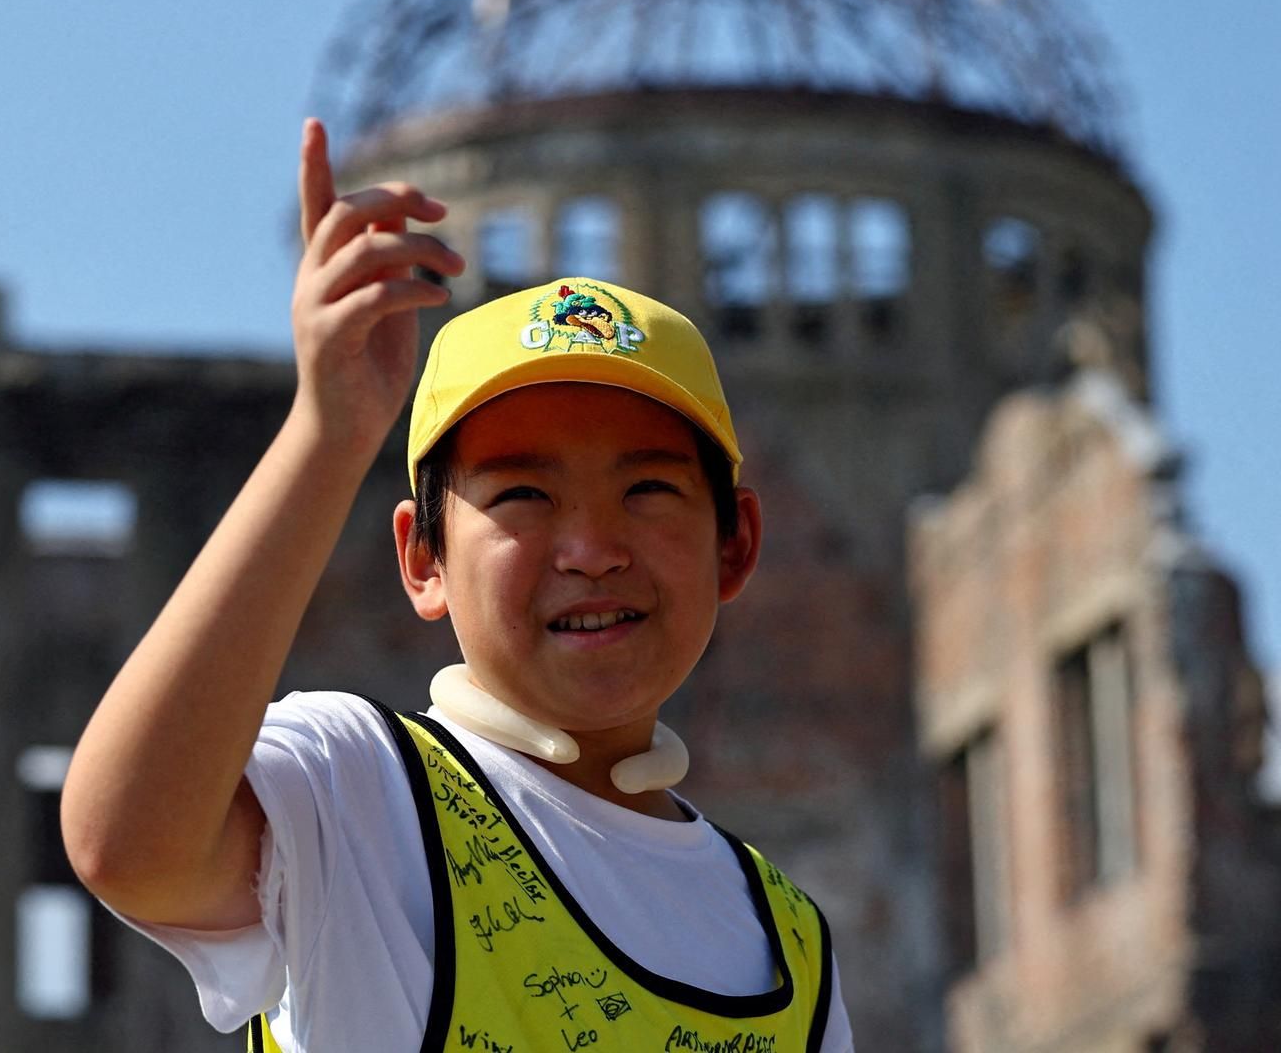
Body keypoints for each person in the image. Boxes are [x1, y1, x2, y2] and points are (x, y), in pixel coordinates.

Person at [60, 119, 853, 1052]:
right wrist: (328, 434)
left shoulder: (788, 945)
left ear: (736, 544)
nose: (592, 548)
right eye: (523, 495)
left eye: (647, 490)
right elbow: (128, 844)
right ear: (421, 561)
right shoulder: (357, 791)